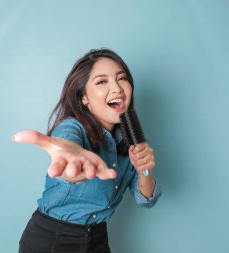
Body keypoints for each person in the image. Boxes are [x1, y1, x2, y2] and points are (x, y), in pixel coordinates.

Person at [12, 48, 162, 253]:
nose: (117, 88)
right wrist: (71, 160)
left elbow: (146, 200)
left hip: (97, 238)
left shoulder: (128, 141)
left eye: (122, 78)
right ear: (84, 98)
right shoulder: (72, 127)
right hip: (52, 240)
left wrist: (145, 169)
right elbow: (67, 147)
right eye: (102, 81)